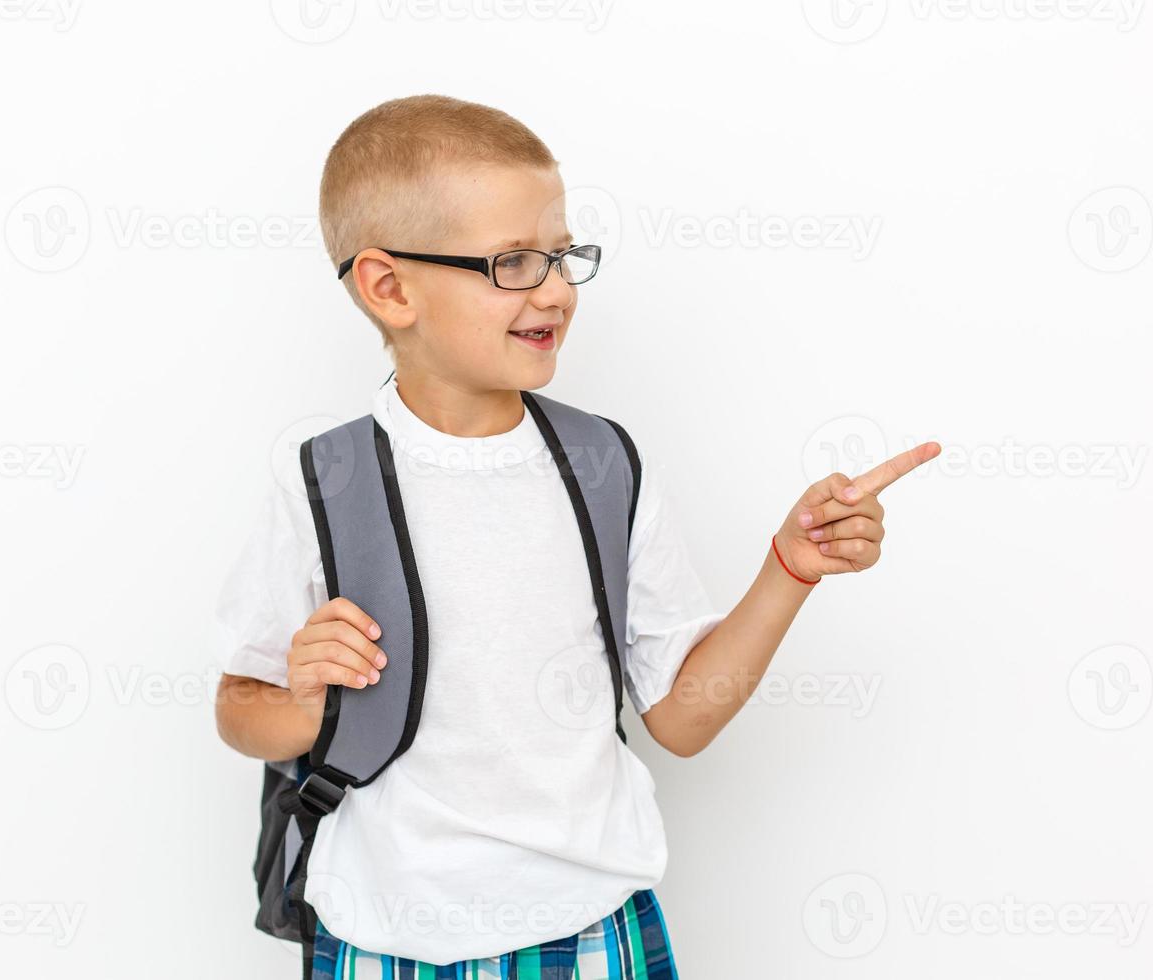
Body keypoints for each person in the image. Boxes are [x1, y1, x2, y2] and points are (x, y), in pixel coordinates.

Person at [213, 94, 939, 979]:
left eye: (560, 256)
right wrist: (309, 694)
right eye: (513, 262)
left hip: (590, 929)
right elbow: (239, 710)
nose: (555, 289)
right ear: (389, 286)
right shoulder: (322, 479)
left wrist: (789, 569)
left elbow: (678, 717)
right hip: (380, 935)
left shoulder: (604, 463)